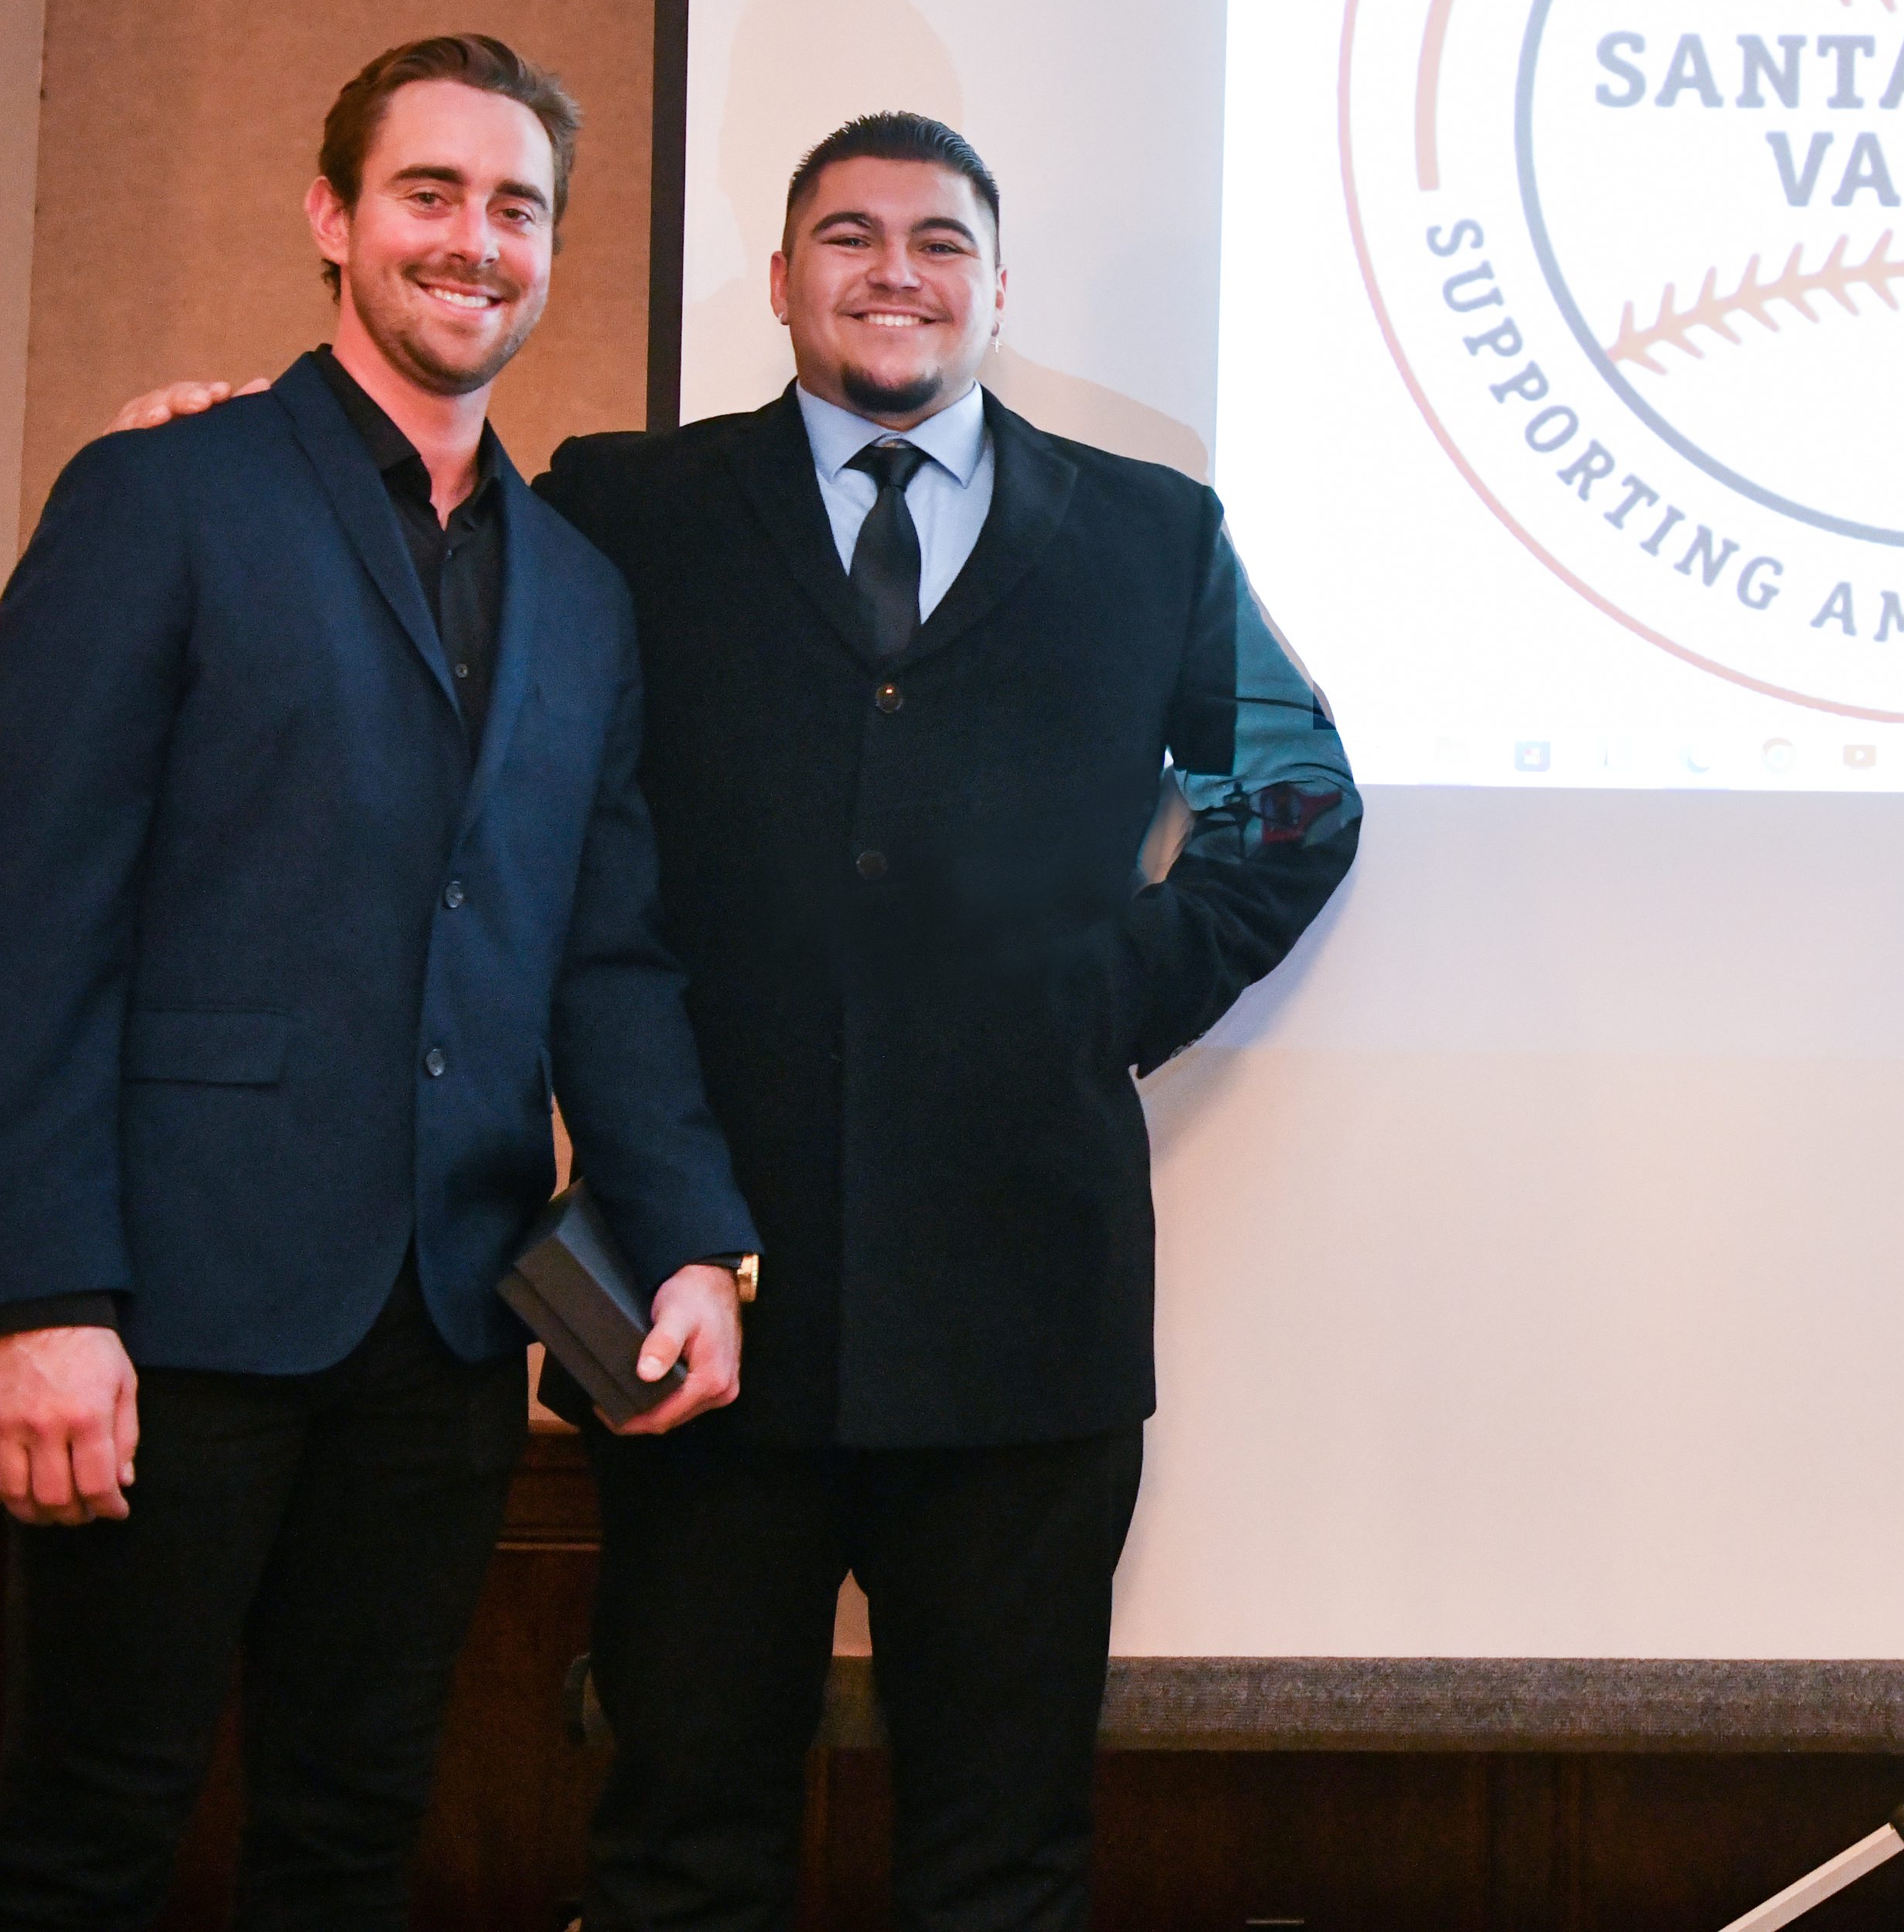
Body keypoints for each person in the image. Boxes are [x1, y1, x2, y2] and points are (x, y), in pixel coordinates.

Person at [119, 109, 1364, 1927]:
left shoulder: (1151, 534)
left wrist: (1113, 988)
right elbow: (412, 545)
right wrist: (207, 456)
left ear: (995, 288)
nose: (893, 271)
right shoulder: (625, 508)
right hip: (697, 1303)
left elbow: (1298, 791)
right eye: (847, 236)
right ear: (779, 283)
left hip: (1025, 1309)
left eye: (938, 240)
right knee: (679, 1845)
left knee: (1003, 1859)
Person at [0, 35, 757, 1929]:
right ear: (331, 217)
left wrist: (688, 1233)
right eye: (430, 192)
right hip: (166, 1314)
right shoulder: (160, 492)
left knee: (353, 1826)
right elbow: (30, 911)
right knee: (94, 1819)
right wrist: (38, 1293)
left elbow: (608, 950)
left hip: (445, 1327)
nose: (474, 241)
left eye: (518, 208)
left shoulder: (580, 588)